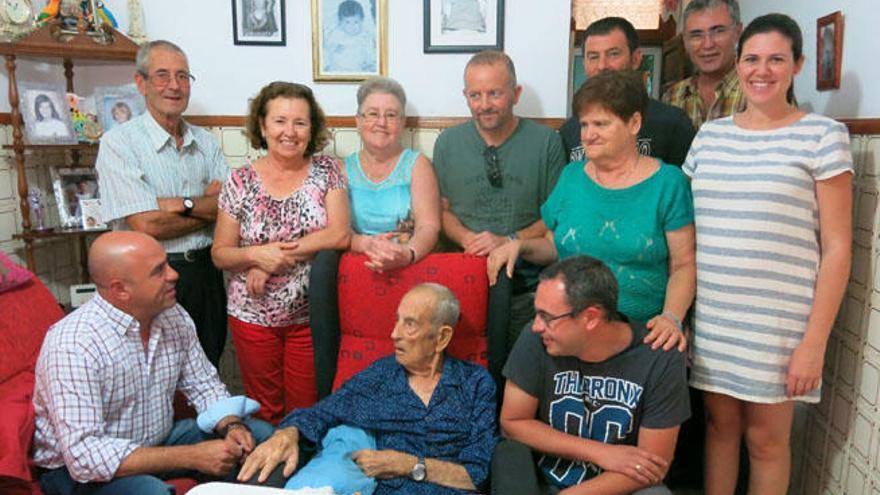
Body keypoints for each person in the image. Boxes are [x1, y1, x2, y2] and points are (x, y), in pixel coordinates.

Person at [684, 14, 853, 495]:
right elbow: (687, 229)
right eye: (752, 59)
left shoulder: (823, 135)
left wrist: (813, 343)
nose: (762, 70)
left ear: (797, 64)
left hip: (781, 324)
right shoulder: (710, 137)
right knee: (718, 430)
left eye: (776, 59)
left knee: (766, 441)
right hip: (717, 318)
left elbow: (838, 248)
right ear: (737, 65)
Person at [31, 231, 274, 495]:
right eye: (159, 271)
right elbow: (84, 456)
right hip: (79, 473)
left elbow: (204, 385)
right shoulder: (73, 344)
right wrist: (191, 456)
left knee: (261, 438)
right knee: (150, 492)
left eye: (167, 263)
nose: (174, 274)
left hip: (156, 442)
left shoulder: (173, 315)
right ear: (120, 289)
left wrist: (231, 425)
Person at [488, 70, 695, 352]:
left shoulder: (667, 183)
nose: (589, 135)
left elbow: (683, 264)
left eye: (600, 124)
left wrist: (671, 318)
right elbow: (553, 245)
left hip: (640, 333)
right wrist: (519, 245)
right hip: (567, 329)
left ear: (634, 123)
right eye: (584, 125)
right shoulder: (572, 177)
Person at [238, 283, 497, 494]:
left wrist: (408, 465)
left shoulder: (475, 383)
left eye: (410, 324)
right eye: (396, 321)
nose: (394, 334)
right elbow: (323, 413)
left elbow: (476, 475)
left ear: (441, 337)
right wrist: (288, 433)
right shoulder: (381, 376)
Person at [211, 81, 351, 424]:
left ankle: (302, 476)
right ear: (262, 125)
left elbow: (340, 234)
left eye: (300, 122)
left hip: (311, 314)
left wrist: (277, 257)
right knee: (265, 411)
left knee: (306, 410)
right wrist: (257, 257)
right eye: (279, 121)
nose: (290, 131)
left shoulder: (328, 171)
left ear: (312, 128)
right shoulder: (239, 180)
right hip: (252, 316)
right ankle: (269, 475)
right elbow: (221, 253)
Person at [494, 256, 690, 494]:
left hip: (618, 485)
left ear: (591, 317)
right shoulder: (536, 339)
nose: (536, 325)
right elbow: (513, 423)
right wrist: (599, 452)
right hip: (545, 483)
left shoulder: (659, 356)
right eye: (537, 313)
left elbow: (654, 465)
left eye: (547, 317)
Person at [96, 40, 230, 367]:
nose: (174, 85)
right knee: (154, 374)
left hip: (205, 272)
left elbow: (229, 208)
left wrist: (178, 204)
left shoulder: (207, 142)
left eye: (183, 76)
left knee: (207, 366)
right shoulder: (118, 144)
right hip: (148, 277)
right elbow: (146, 225)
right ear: (140, 83)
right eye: (162, 75)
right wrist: (205, 206)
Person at [433, 50, 566, 354]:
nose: (484, 105)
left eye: (495, 93)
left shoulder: (547, 143)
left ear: (515, 94)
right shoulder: (447, 143)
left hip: (527, 284)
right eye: (475, 95)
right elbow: (440, 211)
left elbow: (554, 218)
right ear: (465, 96)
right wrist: (469, 239)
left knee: (519, 376)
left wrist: (508, 240)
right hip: (461, 282)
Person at [559, 17, 695, 166]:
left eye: (613, 54)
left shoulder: (673, 123)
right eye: (593, 57)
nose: (602, 65)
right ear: (584, 64)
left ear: (636, 59)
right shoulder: (569, 131)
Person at [345, 76, 440, 271]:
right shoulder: (342, 170)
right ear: (358, 121)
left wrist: (408, 254)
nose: (381, 122)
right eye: (372, 114)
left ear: (403, 122)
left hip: (409, 263)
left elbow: (429, 226)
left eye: (391, 115)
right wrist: (366, 244)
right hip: (357, 263)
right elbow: (338, 231)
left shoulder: (418, 165)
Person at [662, 0, 745, 130]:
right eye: (696, 35)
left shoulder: (756, 91)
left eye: (718, 31)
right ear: (685, 40)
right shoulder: (673, 97)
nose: (707, 44)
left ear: (738, 32)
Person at [323, 0, 376, 73]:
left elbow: (370, 52)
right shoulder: (335, 34)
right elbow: (327, 48)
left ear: (362, 20)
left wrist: (369, 63)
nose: (352, 26)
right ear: (340, 22)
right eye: (347, 22)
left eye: (356, 22)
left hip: (359, 68)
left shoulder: (366, 36)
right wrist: (334, 47)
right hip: (337, 67)